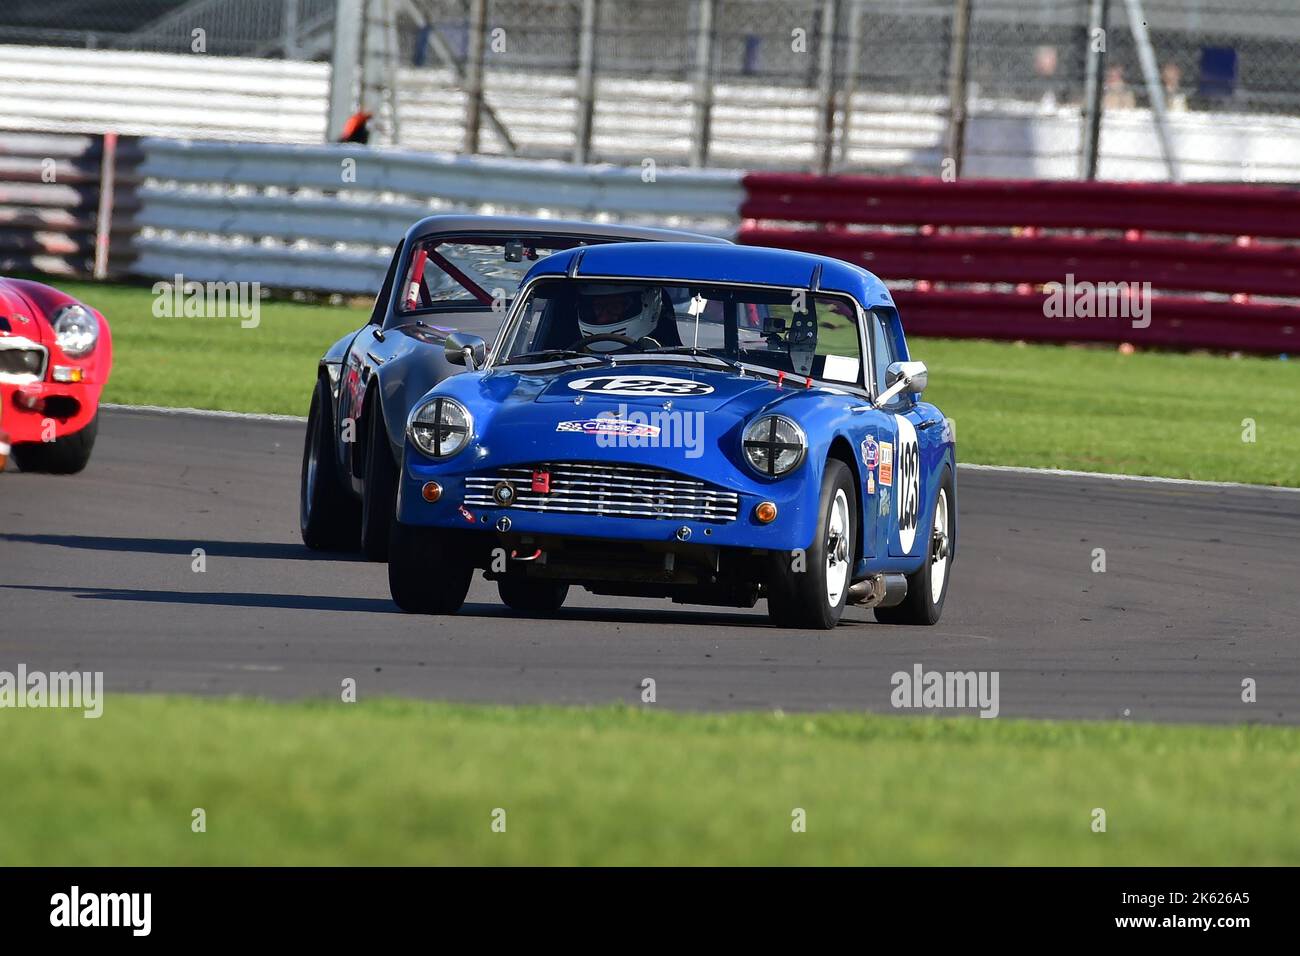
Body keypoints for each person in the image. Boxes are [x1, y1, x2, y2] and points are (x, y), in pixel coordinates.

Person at [574, 285, 666, 352]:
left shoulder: (666, 358)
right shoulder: (572, 356)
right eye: (598, 307)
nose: (603, 318)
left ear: (648, 304)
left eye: (614, 307)